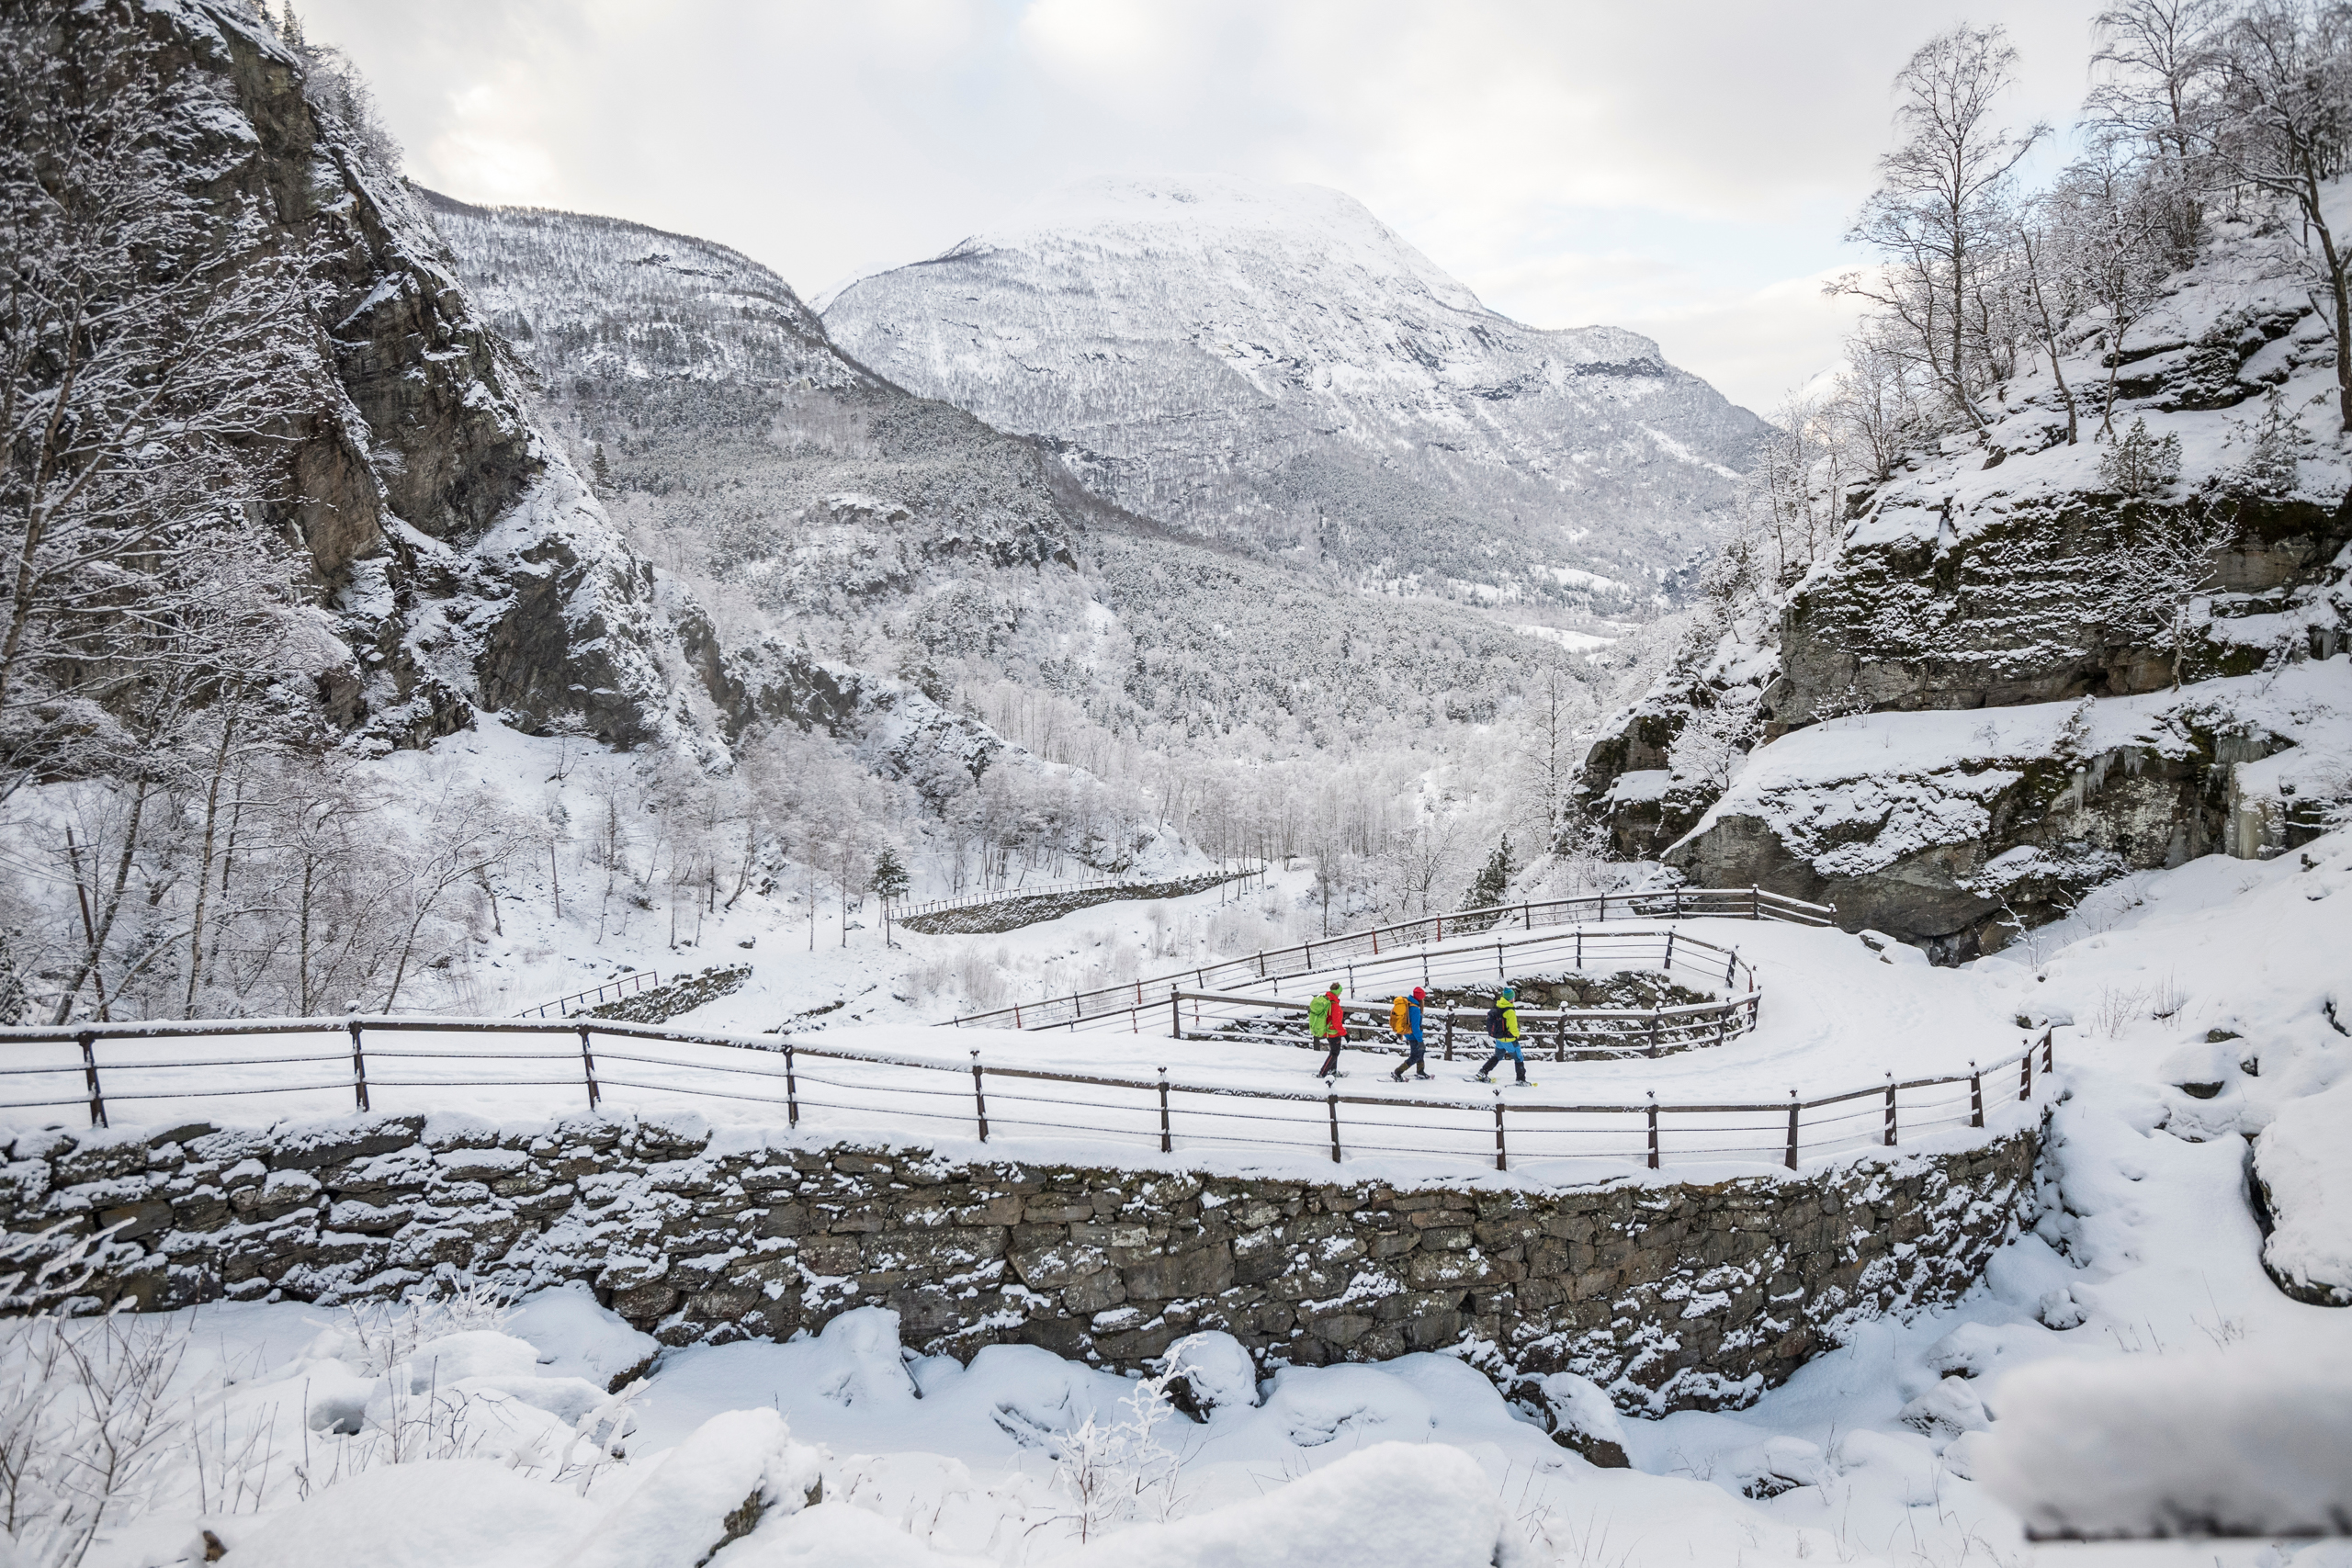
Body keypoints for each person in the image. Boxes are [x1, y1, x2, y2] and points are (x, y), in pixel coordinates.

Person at [1475, 987, 1531, 1086]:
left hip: (1499, 1038)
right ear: (1511, 999)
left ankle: (1483, 1072)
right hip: (1509, 1039)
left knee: (1498, 1056)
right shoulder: (1510, 1011)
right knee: (1518, 1058)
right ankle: (1521, 1080)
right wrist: (1517, 1035)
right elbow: (1513, 1027)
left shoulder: (1499, 1005)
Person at [1389, 987, 1430, 1081]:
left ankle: (1420, 1072)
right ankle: (1398, 1072)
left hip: (1409, 1034)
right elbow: (1415, 1028)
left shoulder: (1409, 1004)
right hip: (1413, 1036)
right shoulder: (1415, 1009)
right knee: (1415, 1056)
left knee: (1421, 1052)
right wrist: (1420, 1041)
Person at [1314, 981, 1347, 1079]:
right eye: (1340, 992)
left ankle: (1333, 1071)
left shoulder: (1327, 1000)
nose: (1341, 993)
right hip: (1333, 1033)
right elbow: (1337, 1023)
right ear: (1337, 992)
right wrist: (1345, 1034)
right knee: (1334, 1053)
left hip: (1328, 1031)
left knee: (1334, 1052)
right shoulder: (1334, 1005)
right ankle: (1323, 1073)